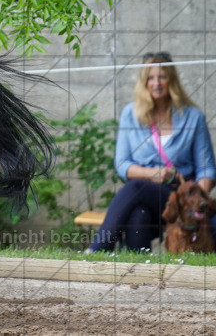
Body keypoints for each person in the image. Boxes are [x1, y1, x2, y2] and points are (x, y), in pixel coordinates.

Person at [86, 52, 216, 252]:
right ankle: (140, 272)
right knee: (138, 215)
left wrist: (197, 200)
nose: (156, 83)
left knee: (135, 188)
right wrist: (152, 174)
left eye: (162, 77)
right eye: (150, 78)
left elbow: (206, 169)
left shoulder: (193, 117)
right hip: (146, 194)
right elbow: (122, 165)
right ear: (144, 82)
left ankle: (98, 248)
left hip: (180, 197)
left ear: (171, 80)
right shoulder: (131, 113)